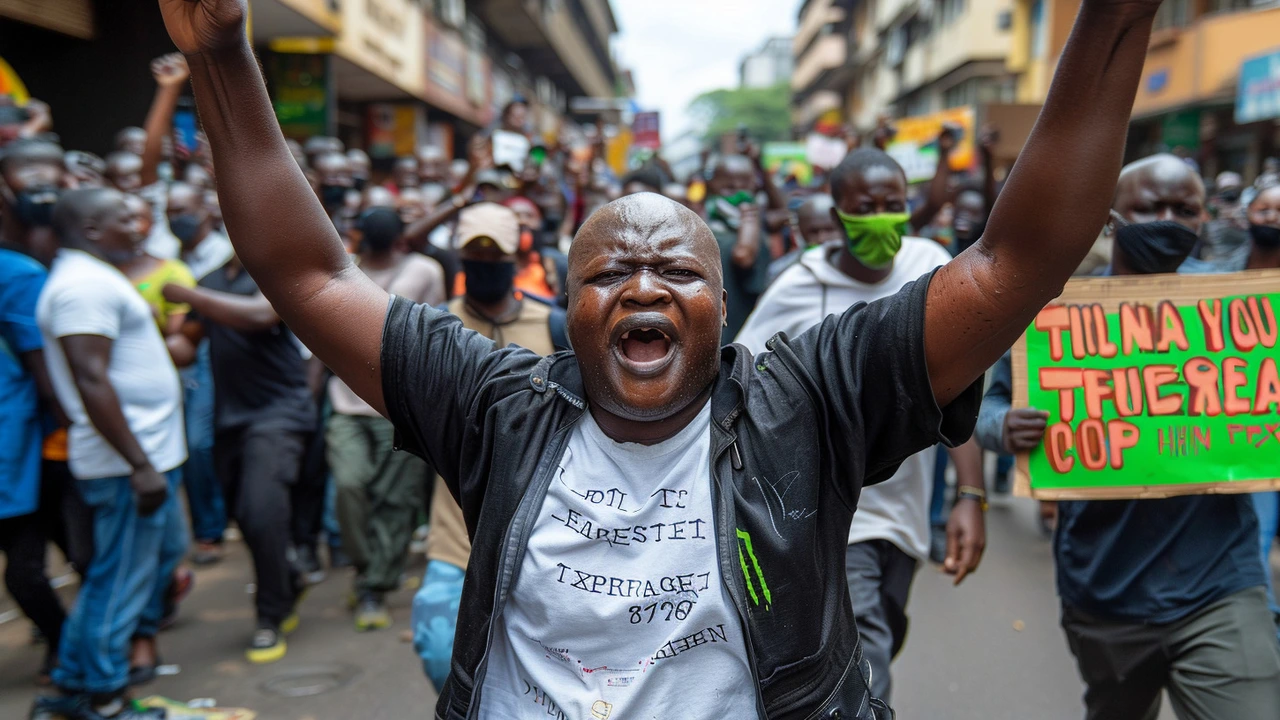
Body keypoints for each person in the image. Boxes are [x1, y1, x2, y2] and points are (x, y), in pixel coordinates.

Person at [157, 0, 1173, 714]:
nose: (642, 288)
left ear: (724, 308)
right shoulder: (490, 402)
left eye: (674, 273)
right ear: (567, 303)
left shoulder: (807, 400)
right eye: (609, 274)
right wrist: (223, 56)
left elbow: (1013, 261)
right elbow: (308, 277)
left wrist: (1112, 15)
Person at [975, 154, 1280, 720]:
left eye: (1184, 210)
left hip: (1221, 584)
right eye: (1150, 207)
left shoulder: (1240, 309)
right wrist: (1005, 428)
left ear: (1205, 217)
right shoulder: (1055, 313)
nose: (1167, 219)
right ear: (1111, 216)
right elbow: (986, 407)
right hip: (1104, 589)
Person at [735, 149, 987, 701]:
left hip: (906, 512)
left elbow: (959, 384)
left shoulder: (931, 266)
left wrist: (970, 492)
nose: (880, 217)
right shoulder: (799, 285)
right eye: (865, 207)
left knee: (883, 632)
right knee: (866, 654)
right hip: (835, 510)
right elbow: (743, 381)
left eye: (893, 205)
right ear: (838, 208)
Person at [31, 187, 187, 720]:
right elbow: (91, 379)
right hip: (126, 463)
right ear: (93, 229)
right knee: (119, 582)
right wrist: (140, 465)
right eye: (125, 218)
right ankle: (105, 699)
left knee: (122, 573)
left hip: (140, 457)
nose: (139, 225)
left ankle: (74, 685)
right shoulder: (82, 286)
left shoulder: (91, 277)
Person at [412, 201, 568, 689]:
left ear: (514, 258)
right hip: (458, 531)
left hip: (546, 530)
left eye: (492, 259)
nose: (482, 269)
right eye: (472, 260)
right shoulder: (435, 331)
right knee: (441, 653)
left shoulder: (555, 326)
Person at [162, 252, 316, 663]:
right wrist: (145, 329)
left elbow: (260, 316)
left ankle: (271, 615)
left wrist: (186, 293)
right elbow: (186, 347)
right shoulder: (211, 277)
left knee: (262, 510)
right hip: (230, 418)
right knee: (244, 515)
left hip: (279, 413)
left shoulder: (275, 270)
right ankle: (286, 578)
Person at [329, 206, 443, 631]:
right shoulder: (343, 270)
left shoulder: (425, 270)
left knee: (396, 502)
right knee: (349, 486)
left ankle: (374, 586)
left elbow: (438, 332)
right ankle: (365, 566)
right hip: (346, 404)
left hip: (401, 405)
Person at [0, 245, 69, 684]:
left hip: (28, 446)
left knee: (69, 550)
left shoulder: (16, 275)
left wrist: (71, 433)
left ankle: (68, 645)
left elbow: (48, 369)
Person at [165, 181, 230, 564]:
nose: (178, 219)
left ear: (205, 210)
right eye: (171, 213)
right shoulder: (166, 257)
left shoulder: (225, 253)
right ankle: (209, 525)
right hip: (179, 361)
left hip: (216, 357)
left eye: (184, 210)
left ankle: (212, 525)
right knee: (192, 445)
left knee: (201, 441)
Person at [704, 154, 771, 342]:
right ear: (712, 186)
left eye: (744, 187)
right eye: (729, 187)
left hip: (744, 337)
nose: (738, 194)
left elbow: (744, 257)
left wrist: (749, 219)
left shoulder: (755, 229)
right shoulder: (702, 225)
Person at [765, 193, 839, 284]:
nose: (822, 239)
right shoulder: (780, 272)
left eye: (829, 230)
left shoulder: (857, 267)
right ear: (800, 231)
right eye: (813, 232)